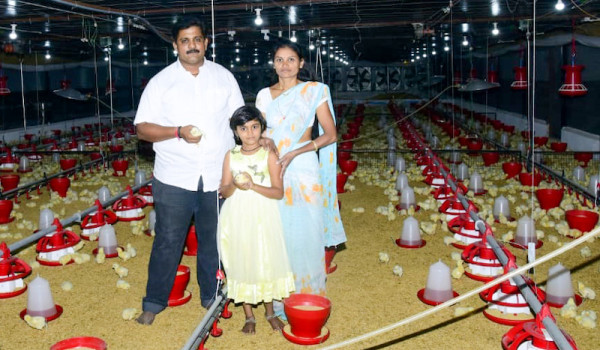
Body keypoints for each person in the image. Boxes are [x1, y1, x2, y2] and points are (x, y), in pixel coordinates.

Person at [133, 17, 244, 325]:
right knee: (168, 240)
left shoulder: (224, 78)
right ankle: (154, 301)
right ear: (175, 45)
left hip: (216, 175)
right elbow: (142, 128)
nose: (192, 45)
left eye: (197, 39)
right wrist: (178, 131)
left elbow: (239, 121)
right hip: (174, 177)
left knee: (214, 239)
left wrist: (259, 143)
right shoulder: (161, 82)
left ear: (206, 43)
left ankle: (212, 295)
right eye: (185, 40)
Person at [255, 42, 346, 305]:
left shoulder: (314, 92)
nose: (285, 65)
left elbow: (330, 135)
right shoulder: (263, 95)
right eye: (280, 59)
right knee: (278, 229)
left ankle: (307, 296)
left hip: (303, 165)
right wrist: (263, 141)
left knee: (307, 230)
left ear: (301, 63)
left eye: (291, 59)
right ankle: (279, 296)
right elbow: (258, 132)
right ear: (273, 63)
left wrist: (296, 152)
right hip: (273, 166)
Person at [218, 106, 295, 334]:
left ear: (262, 128)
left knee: (265, 259)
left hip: (263, 214)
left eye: (254, 127)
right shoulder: (230, 156)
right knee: (242, 259)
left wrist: (253, 185)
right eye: (243, 128)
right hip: (236, 215)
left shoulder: (269, 155)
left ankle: (270, 312)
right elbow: (224, 190)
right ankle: (249, 315)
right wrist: (235, 184)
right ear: (236, 131)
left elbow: (278, 192)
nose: (250, 133)